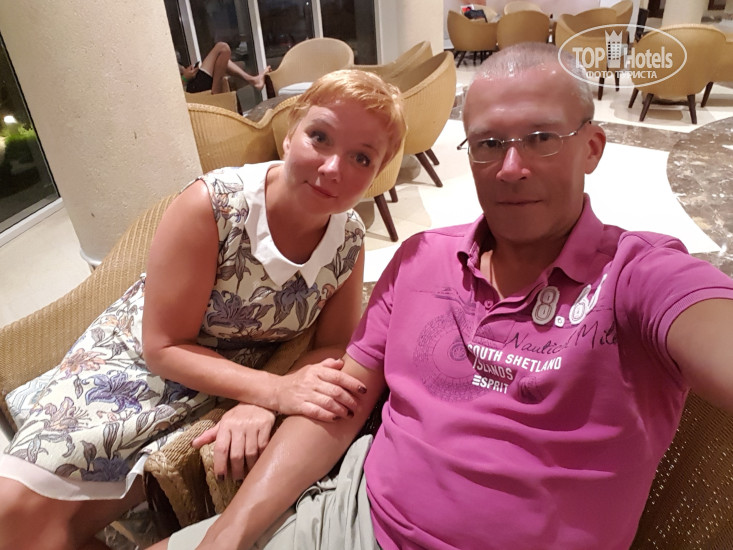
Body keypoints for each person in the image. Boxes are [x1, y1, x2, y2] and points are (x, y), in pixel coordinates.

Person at [153, 42, 733, 550]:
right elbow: (338, 407)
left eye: (541, 139)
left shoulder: (637, 274)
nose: (511, 168)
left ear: (592, 147)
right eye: (488, 144)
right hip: (354, 520)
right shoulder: (420, 258)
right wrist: (229, 533)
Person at [0, 69, 406, 550]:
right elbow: (162, 346)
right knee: (15, 512)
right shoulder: (215, 206)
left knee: (56, 525)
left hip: (221, 381)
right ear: (289, 132)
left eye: (361, 157)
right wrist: (273, 391)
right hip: (135, 364)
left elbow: (334, 344)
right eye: (320, 137)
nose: (333, 167)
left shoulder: (348, 240)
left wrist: (258, 400)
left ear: (378, 173)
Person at [181, 42, 271, 93]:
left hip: (193, 83)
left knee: (222, 61)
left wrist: (186, 72)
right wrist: (185, 78)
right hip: (192, 91)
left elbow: (181, 71)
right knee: (222, 48)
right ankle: (215, 93)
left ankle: (253, 80)